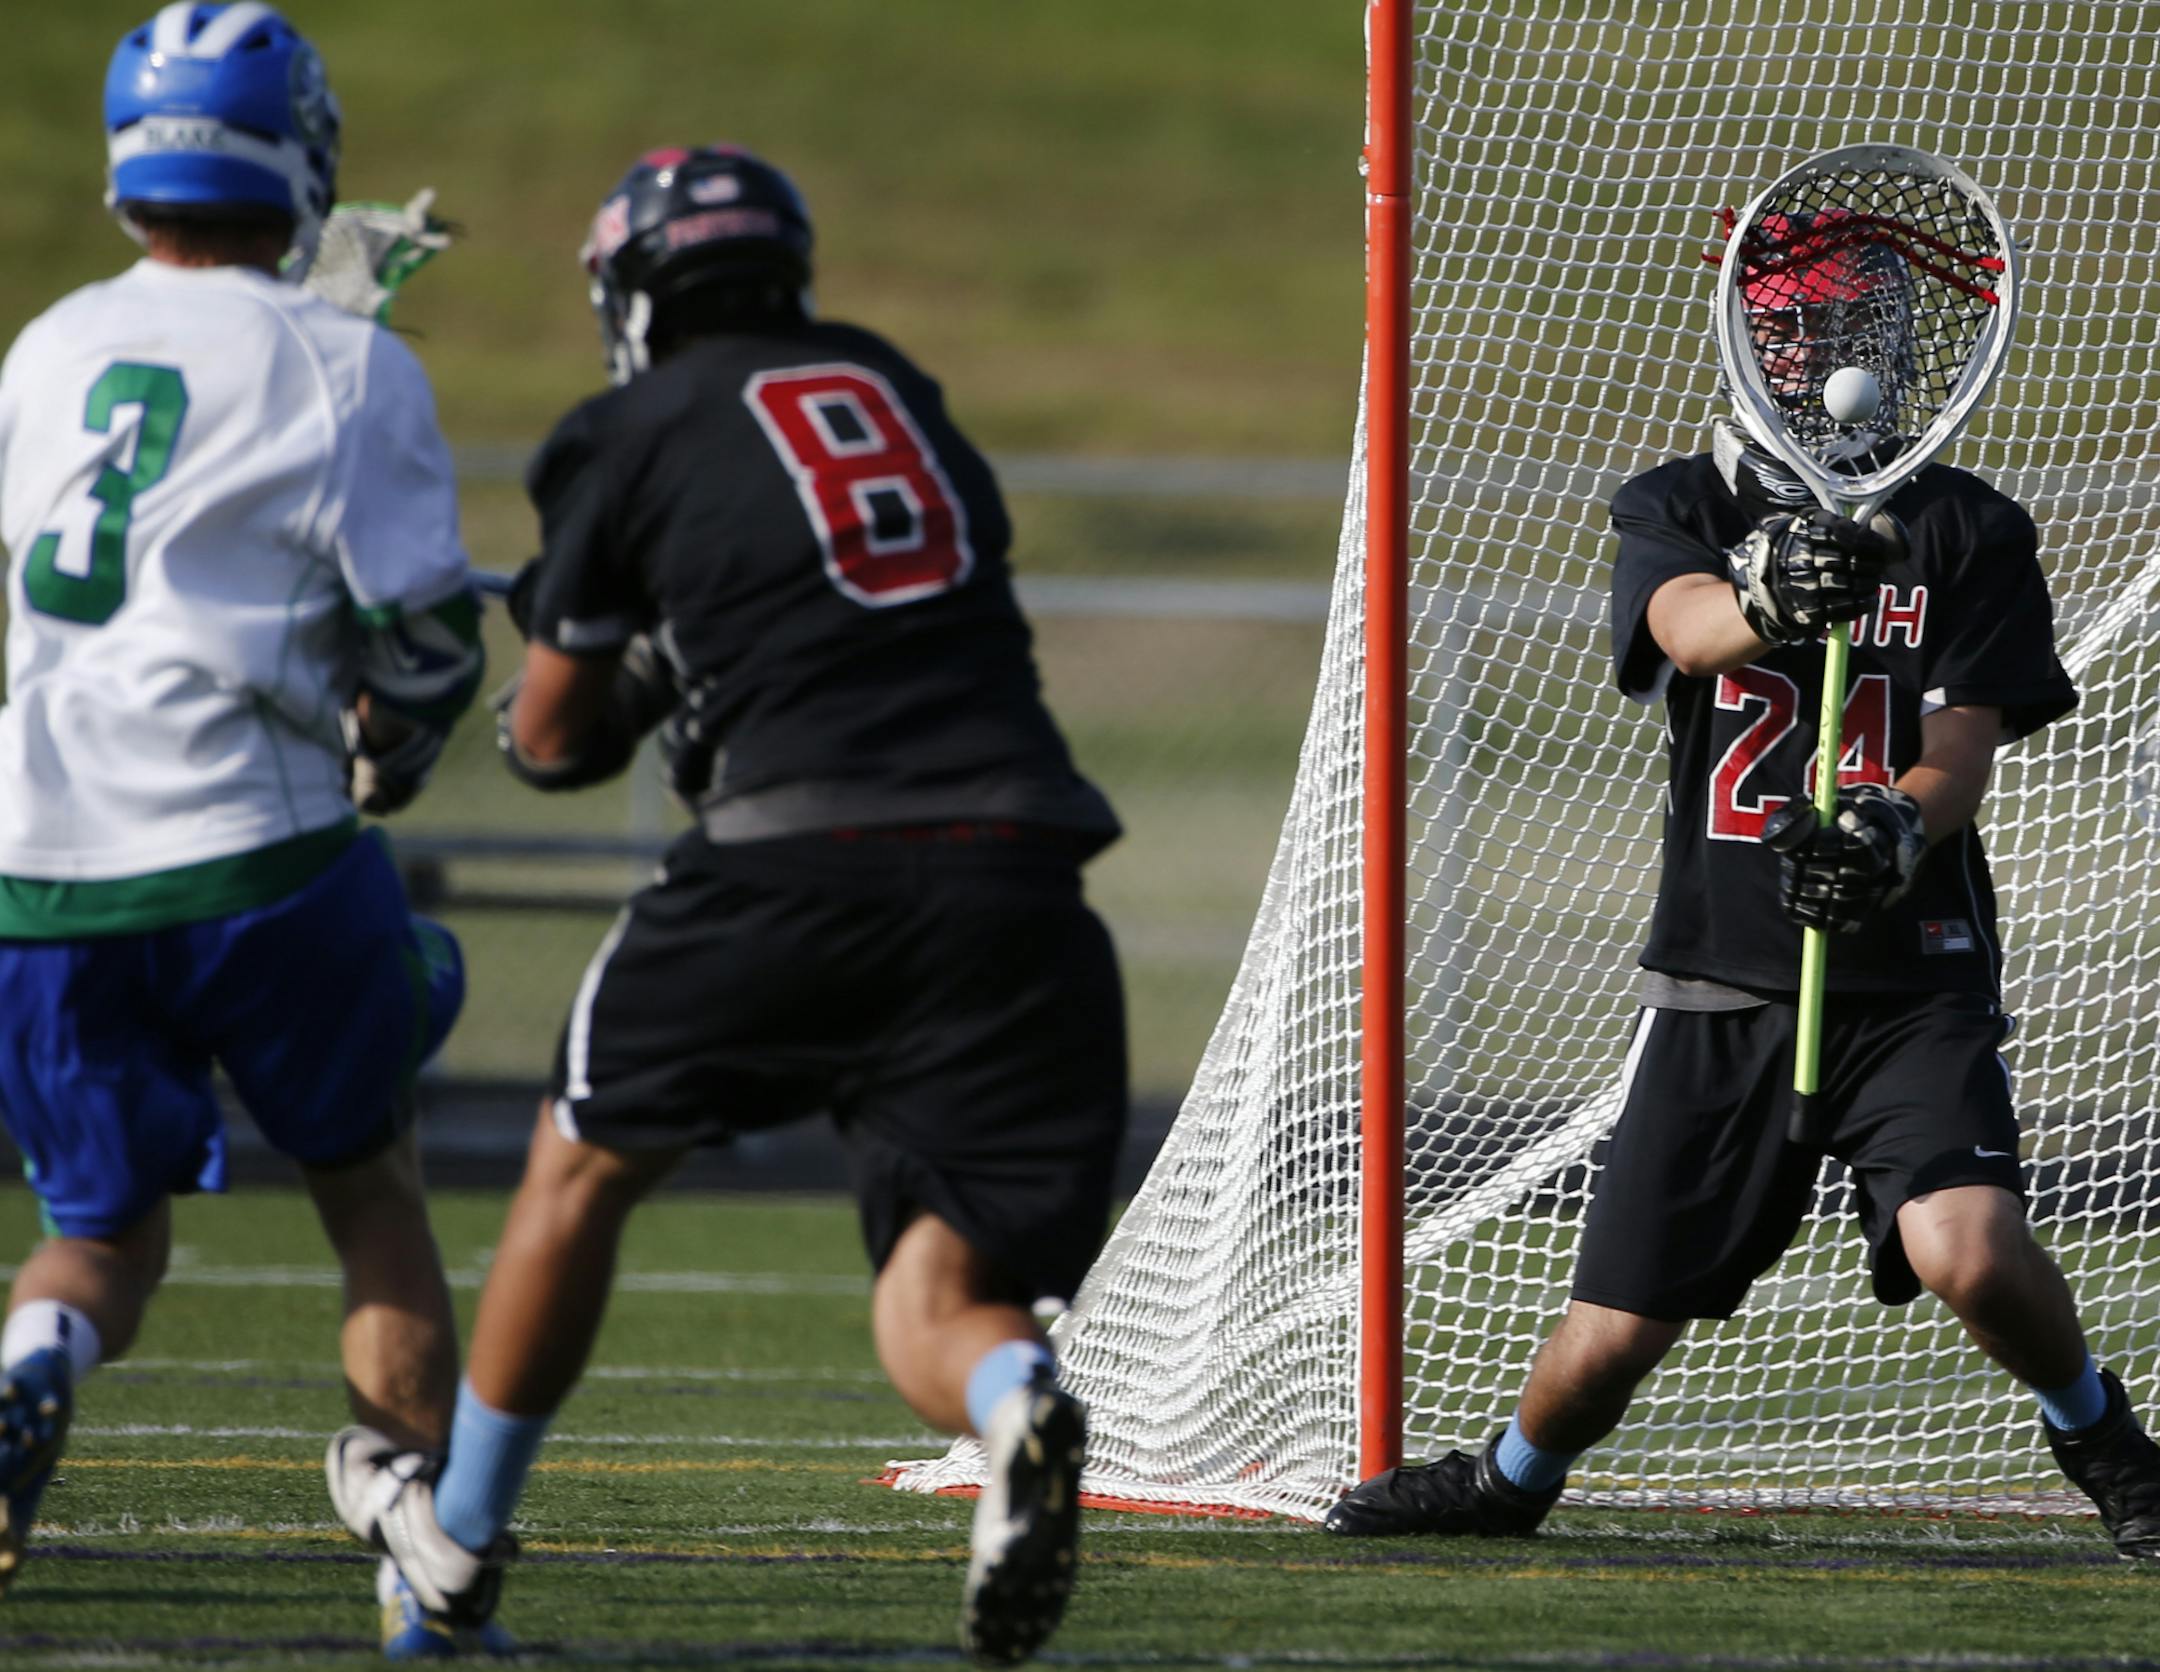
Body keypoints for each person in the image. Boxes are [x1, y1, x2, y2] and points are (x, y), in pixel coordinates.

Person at [324, 144, 1129, 1663]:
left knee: (580, 1166)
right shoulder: (896, 388)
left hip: (795, 858)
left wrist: (604, 691)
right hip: (1020, 878)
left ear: (633, 295)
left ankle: (457, 1552)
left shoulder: (631, 426)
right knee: (940, 1290)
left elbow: (556, 735)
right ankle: (1019, 1408)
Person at [1322, 206, 2160, 1556]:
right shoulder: (1685, 504)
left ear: (1906, 345)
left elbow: (1961, 744)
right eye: (1799, 330)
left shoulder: (1966, 527)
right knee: (1607, 1341)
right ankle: (1511, 1483)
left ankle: (2112, 1451)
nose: (1826, 357)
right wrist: (1777, 592)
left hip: (1906, 972)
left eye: (1853, 328)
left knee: (1972, 1251)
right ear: (1746, 338)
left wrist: (1891, 830)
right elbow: (1686, 629)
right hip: (1722, 969)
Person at [0, 1, 491, 1651]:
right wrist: (391, 748)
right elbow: (425, 637)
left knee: (96, 1234)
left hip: (47, 857)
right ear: (299, 145)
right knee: (372, 1195)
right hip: (259, 850)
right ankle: (424, 1567)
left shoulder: (48, 345)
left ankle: (32, 1364)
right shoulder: (346, 360)